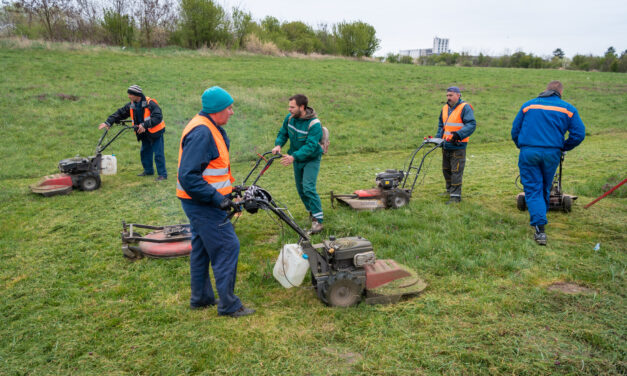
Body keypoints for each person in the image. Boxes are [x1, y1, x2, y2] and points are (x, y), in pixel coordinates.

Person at [176, 86, 254, 317]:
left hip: (199, 201)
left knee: (201, 249)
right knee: (228, 246)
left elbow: (212, 169)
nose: (231, 112)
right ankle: (229, 305)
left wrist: (230, 190)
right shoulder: (202, 132)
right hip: (202, 203)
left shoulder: (211, 127)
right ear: (216, 109)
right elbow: (188, 175)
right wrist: (215, 198)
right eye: (228, 108)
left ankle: (201, 298)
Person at [511, 80, 585, 245]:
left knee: (532, 189)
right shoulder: (568, 109)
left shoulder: (528, 106)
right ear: (560, 92)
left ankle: (540, 229)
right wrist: (564, 147)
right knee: (544, 186)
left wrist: (522, 146)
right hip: (552, 153)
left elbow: (515, 130)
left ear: (546, 90)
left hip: (529, 152)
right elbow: (579, 134)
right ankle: (540, 217)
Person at [271, 94, 324, 234]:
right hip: (296, 158)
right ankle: (312, 212)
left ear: (302, 107)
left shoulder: (314, 124)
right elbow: (283, 133)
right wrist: (278, 145)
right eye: (289, 106)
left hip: (311, 158)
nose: (289, 109)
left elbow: (310, 146)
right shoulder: (290, 118)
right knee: (301, 190)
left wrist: (294, 157)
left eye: (292, 107)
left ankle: (318, 221)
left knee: (308, 187)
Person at [99, 85, 167, 181]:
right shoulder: (132, 104)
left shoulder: (150, 103)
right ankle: (148, 171)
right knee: (144, 152)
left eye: (130, 94)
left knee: (158, 154)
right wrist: (108, 122)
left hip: (155, 132)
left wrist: (144, 125)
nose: (129, 96)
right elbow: (120, 113)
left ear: (137, 95)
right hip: (143, 133)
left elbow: (157, 117)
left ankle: (162, 175)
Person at [435, 86, 476, 204]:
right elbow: (441, 125)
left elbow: (471, 124)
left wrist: (458, 135)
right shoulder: (444, 108)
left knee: (456, 171)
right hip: (445, 145)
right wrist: (438, 138)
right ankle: (449, 190)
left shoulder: (465, 108)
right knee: (446, 169)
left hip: (458, 145)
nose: (448, 98)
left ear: (458, 95)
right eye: (447, 95)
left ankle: (455, 196)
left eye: (451, 95)